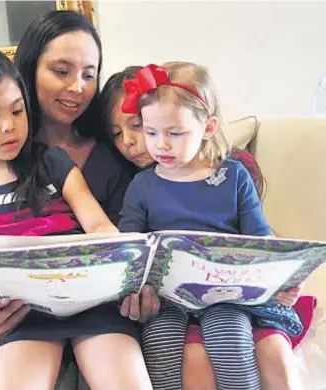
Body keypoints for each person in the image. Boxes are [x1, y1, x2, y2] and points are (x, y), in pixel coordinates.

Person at [0, 44, 153, 390]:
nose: (9, 126)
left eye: (18, 111)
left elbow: (97, 223)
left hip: (89, 299)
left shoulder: (51, 160)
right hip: (21, 315)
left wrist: (122, 268)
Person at [103, 63, 310, 390]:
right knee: (157, 344)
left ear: (209, 127)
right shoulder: (142, 185)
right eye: (151, 132)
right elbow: (132, 247)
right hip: (165, 297)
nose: (161, 145)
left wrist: (282, 277)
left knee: (233, 341)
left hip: (225, 294)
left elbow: (260, 238)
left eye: (175, 133)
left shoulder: (234, 177)